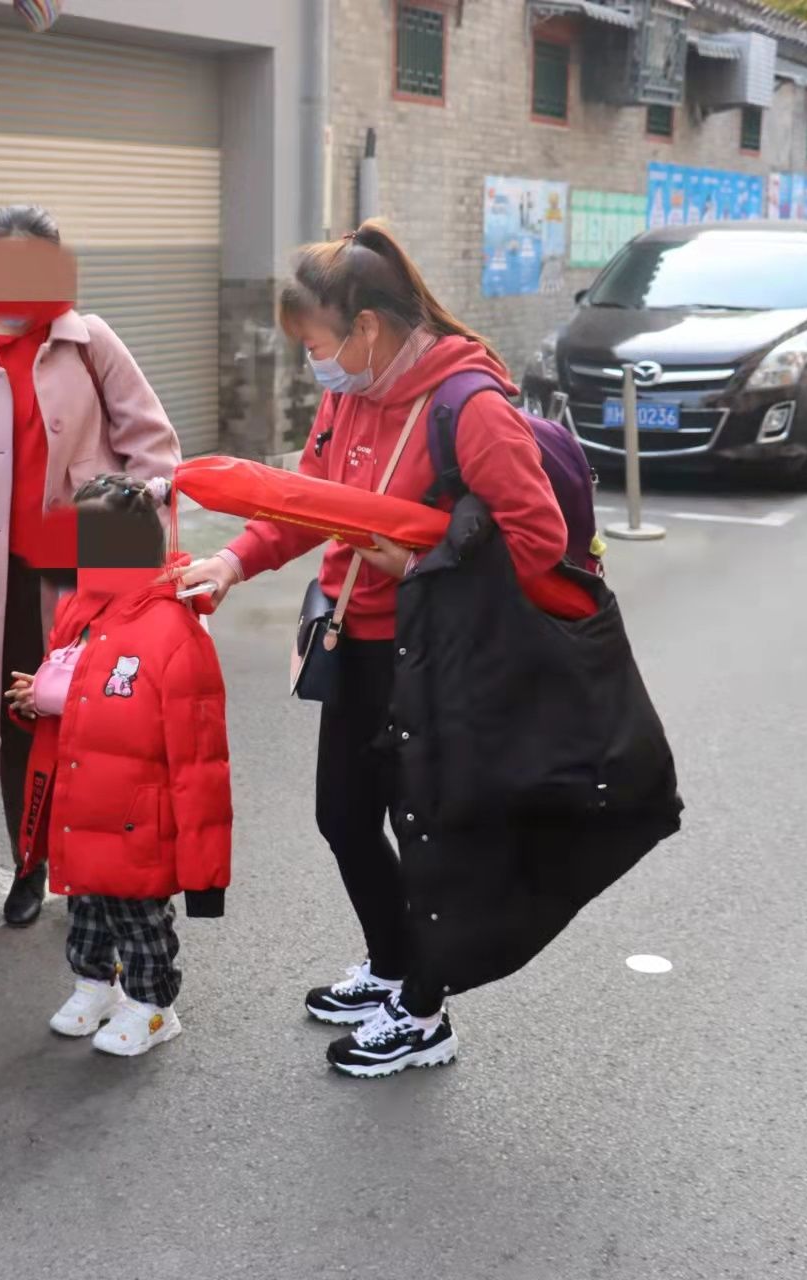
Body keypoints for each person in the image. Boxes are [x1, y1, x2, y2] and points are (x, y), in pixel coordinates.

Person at [177, 220, 571, 1079]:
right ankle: (393, 963)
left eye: (316, 342)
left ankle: (425, 1012)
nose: (311, 362)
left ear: (364, 326)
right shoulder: (350, 391)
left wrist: (424, 561)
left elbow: (536, 538)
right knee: (344, 817)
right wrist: (232, 560)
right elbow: (305, 501)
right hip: (354, 637)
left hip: (433, 653)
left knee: (423, 833)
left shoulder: (469, 406)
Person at [0, 205, 181, 928]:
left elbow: (153, 445)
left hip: (93, 571)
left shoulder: (90, 342)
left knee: (100, 723)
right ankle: (29, 866)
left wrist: (134, 529)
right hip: (4, 580)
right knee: (21, 727)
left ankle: (101, 868)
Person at [6, 475, 230, 1057]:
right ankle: (93, 985)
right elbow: (76, 687)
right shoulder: (78, 607)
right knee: (84, 907)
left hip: (137, 816)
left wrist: (204, 869)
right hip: (81, 803)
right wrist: (40, 699)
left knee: (140, 921)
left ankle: (153, 1006)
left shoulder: (173, 631)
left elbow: (200, 760)